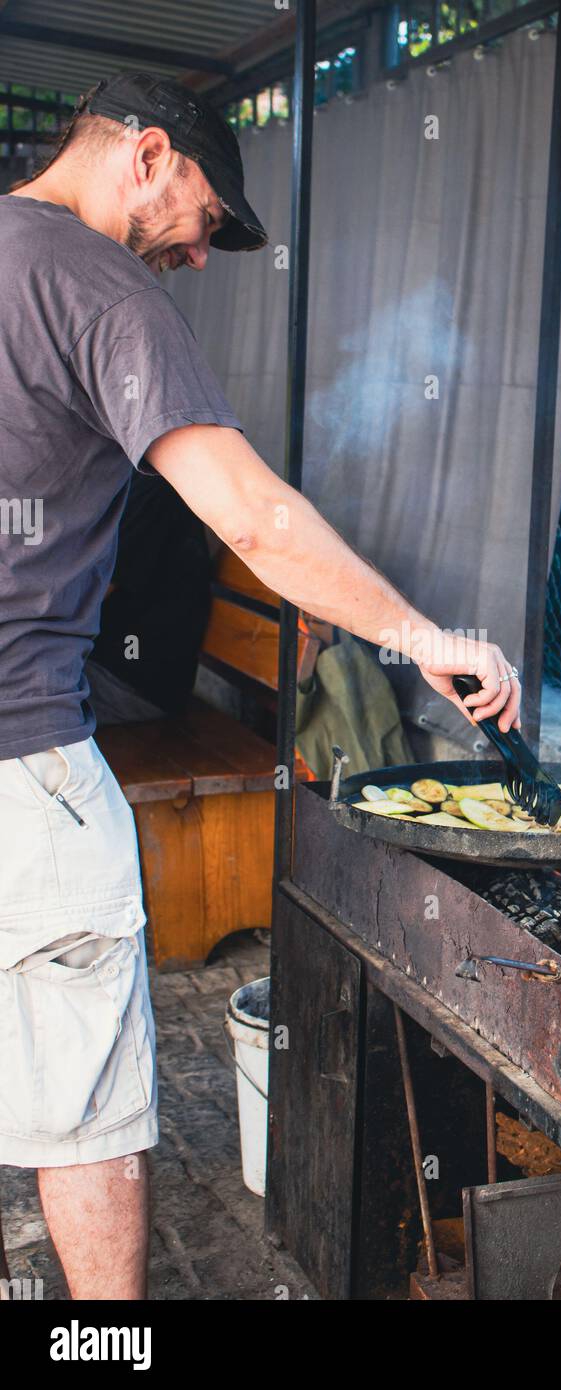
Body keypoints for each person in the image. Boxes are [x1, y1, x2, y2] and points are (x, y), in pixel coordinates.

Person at [0, 72, 521, 1300]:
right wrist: (420, 636)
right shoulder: (95, 280)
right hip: (22, 763)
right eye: (204, 220)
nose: (197, 256)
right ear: (148, 156)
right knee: (85, 1114)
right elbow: (255, 516)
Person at [86, 468, 213, 724]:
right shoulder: (118, 479)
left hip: (131, 686)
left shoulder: (150, 487)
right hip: (97, 666)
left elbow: (83, 600)